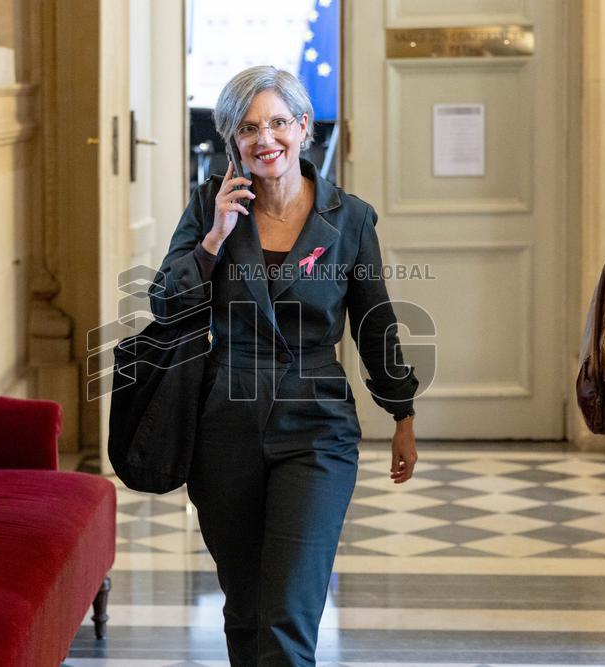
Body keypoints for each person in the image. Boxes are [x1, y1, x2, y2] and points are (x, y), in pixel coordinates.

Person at [149, 65, 420, 665]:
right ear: (232, 142)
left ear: (302, 127)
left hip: (316, 427)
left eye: (277, 122)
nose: (264, 139)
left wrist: (400, 411)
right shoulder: (207, 207)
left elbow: (375, 320)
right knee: (245, 614)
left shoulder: (349, 218)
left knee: (289, 620)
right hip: (224, 427)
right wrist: (214, 239)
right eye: (247, 128)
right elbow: (165, 303)